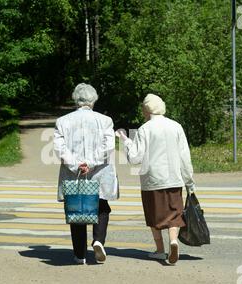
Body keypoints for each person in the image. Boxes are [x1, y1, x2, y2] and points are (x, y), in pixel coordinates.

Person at [116, 93, 195, 265]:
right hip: (174, 179)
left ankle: (160, 250)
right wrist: (189, 180)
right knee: (174, 213)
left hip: (152, 181)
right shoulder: (176, 126)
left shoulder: (145, 129)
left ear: (146, 109)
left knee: (154, 216)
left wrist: (126, 141)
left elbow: (135, 158)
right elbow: (184, 156)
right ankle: (173, 241)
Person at [54, 83, 119, 265]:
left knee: (77, 209)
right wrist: (90, 163)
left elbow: (60, 149)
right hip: (99, 172)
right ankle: (98, 240)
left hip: (74, 174)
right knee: (101, 206)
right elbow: (109, 147)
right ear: (94, 100)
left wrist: (77, 165)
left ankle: (80, 255)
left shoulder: (63, 121)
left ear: (76, 100)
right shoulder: (105, 120)